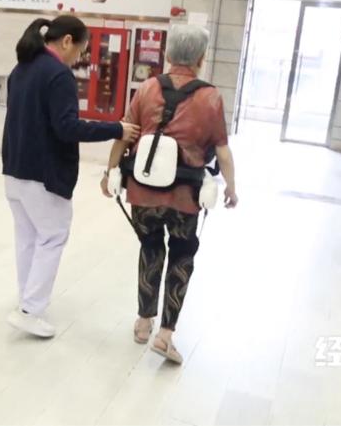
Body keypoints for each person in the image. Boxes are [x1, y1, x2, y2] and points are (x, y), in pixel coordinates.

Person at [101, 24, 238, 364]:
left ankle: (142, 322)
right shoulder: (210, 97)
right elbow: (222, 150)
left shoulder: (147, 88)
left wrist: (110, 172)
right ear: (201, 58)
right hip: (185, 196)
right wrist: (231, 188)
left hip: (143, 191)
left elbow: (125, 134)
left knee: (150, 248)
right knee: (181, 256)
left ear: (167, 54)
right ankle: (165, 335)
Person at [3, 15, 141, 338]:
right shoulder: (58, 74)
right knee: (52, 236)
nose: (79, 58)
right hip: (44, 174)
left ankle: (27, 300)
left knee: (27, 237)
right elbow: (67, 128)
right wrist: (116, 129)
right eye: (80, 50)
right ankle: (30, 310)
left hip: (15, 170)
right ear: (66, 41)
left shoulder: (20, 69)